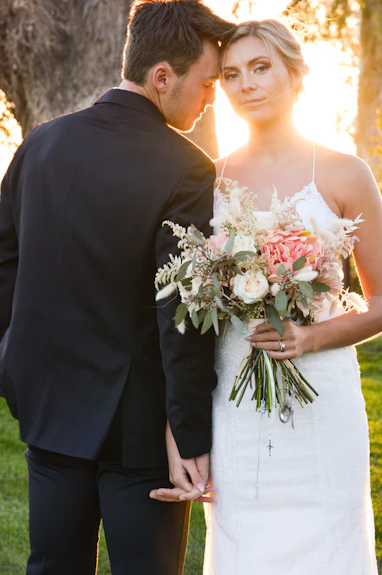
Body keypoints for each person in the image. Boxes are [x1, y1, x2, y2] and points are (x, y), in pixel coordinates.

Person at [0, 1, 233, 573]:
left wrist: (12, 366)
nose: (209, 99)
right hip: (141, 430)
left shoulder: (40, 144)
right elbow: (181, 318)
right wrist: (190, 433)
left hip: (48, 411)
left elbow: (4, 264)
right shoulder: (189, 168)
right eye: (205, 85)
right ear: (161, 77)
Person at [151, 19, 381, 574]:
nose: (245, 84)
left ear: (296, 75)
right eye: (230, 74)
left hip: (324, 402)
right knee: (242, 549)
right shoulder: (207, 180)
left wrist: (310, 336)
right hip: (235, 404)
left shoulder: (347, 173)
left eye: (260, 68)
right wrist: (179, 428)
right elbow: (188, 312)